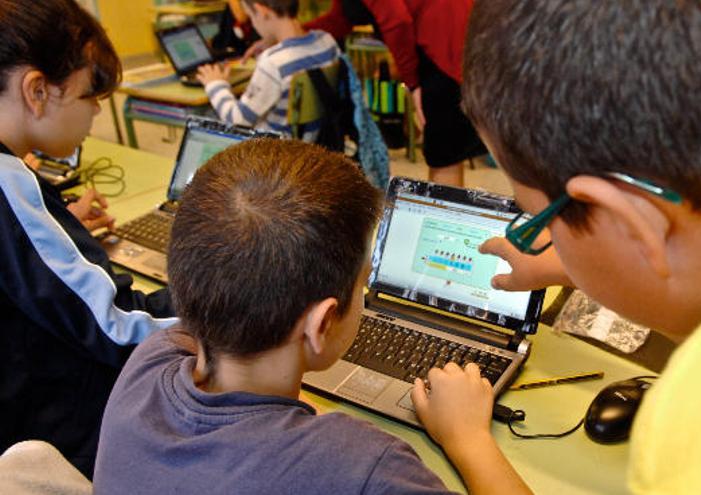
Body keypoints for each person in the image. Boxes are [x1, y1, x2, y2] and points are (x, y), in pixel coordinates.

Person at [414, 0, 701, 494]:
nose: (548, 244)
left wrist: (469, 441)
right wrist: (564, 263)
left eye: (535, 222)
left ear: (634, 227)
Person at [93, 139, 530, 495]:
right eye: (363, 286)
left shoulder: (149, 361)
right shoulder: (365, 469)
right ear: (321, 325)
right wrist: (468, 438)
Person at [0, 0, 177, 478]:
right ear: (37, 90)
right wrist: (237, 301)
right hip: (59, 444)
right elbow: (118, 326)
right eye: (88, 95)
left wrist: (54, 226)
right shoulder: (9, 183)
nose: (97, 111)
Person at [305, 0, 487, 187]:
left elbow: (397, 22)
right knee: (447, 149)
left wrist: (412, 82)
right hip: (447, 39)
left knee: (445, 153)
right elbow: (341, 19)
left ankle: (444, 213)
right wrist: (294, 33)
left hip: (444, 46)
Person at [197, 0, 341, 138]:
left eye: (251, 16)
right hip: (315, 142)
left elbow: (238, 120)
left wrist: (215, 84)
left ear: (262, 11)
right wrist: (274, 42)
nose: (253, 24)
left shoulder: (273, 62)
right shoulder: (327, 41)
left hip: (274, 151)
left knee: (205, 116)